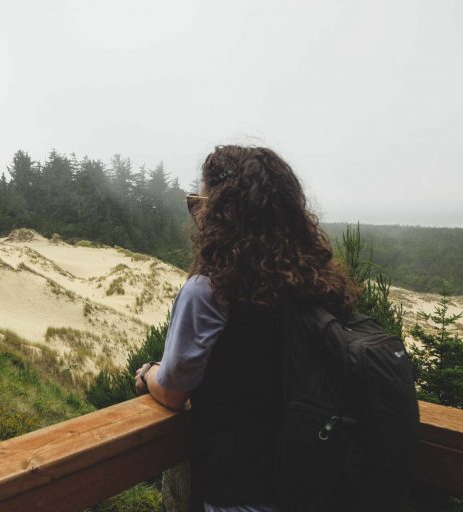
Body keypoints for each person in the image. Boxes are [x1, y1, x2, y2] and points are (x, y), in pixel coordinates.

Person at [135, 145, 358, 512]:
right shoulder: (312, 282)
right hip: (315, 484)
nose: (196, 218)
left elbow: (174, 391)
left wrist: (149, 373)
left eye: (198, 205)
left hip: (240, 493)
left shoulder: (209, 292)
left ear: (219, 213)